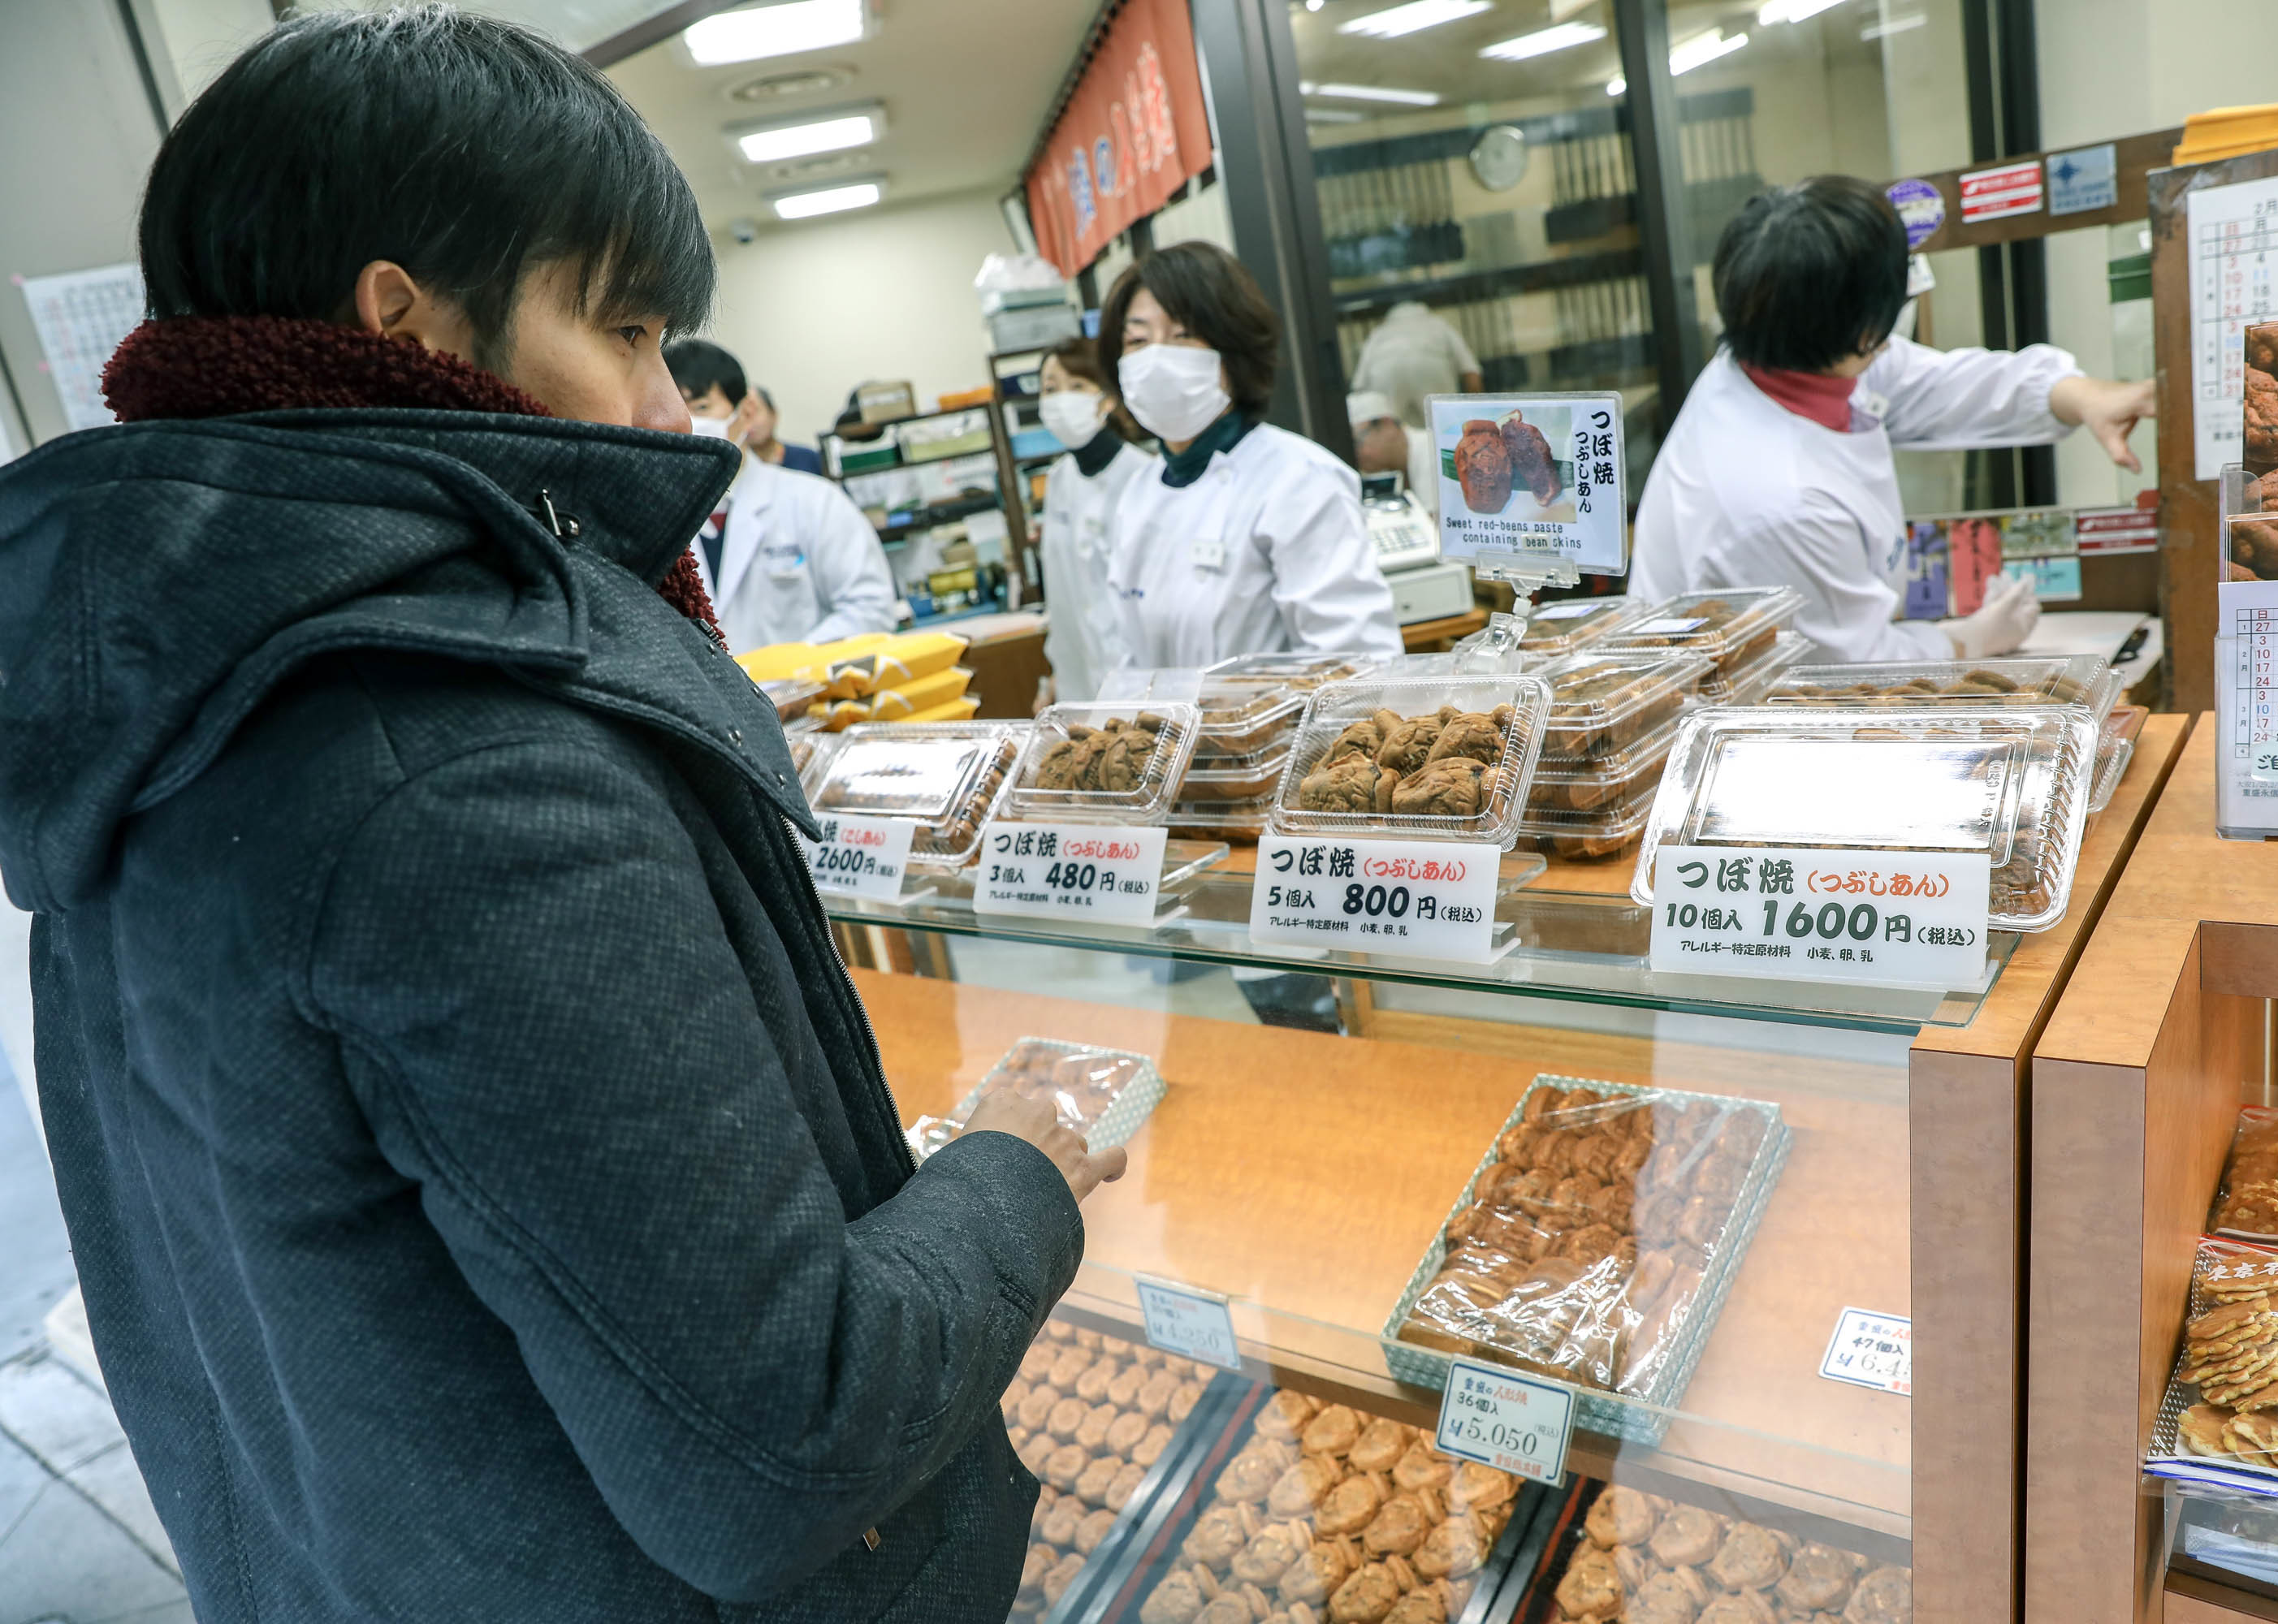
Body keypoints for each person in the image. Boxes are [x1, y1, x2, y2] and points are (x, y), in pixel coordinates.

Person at [0, 9, 1120, 1620]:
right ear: (411, 323)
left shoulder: (154, 689)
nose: (677, 411)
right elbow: (782, 1444)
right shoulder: (458, 773)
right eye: (631, 333)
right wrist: (1017, 1170)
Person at [1630, 175, 2156, 663]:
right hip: (1748, 724)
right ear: (1862, 332)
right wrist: (1971, 640)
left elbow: (1941, 384)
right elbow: (1857, 667)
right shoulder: (1778, 501)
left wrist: (2080, 395)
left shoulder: (1788, 352)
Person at [1098, 240, 1400, 668]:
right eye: (1138, 339)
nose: (1158, 357)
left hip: (1281, 735)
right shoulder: (1139, 493)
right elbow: (1129, 658)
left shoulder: (1298, 479)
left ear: (1232, 349)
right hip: (1168, 735)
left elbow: (1356, 662)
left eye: (1183, 335)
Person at [664, 339, 896, 650]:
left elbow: (870, 607)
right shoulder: (657, 520)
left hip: (808, 691)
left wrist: (792, 671)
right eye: (677, 411)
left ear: (746, 412)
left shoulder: (815, 502)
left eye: (703, 408)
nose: (692, 425)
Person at [1035, 336, 1152, 703]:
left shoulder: (1144, 477)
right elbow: (1061, 594)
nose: (1060, 400)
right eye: (1050, 389)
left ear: (1107, 398)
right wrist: (1054, 678)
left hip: (1145, 680)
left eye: (1077, 386)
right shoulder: (1058, 480)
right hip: (1078, 683)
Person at [1351, 299, 1484, 430]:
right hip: (1431, 367)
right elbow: (1471, 373)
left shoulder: (1379, 332)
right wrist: (1476, 414)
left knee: (1393, 431)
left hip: (1385, 372)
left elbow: (1359, 387)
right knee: (1444, 428)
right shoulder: (1438, 324)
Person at [1349, 388, 1437, 518]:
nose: (1356, 453)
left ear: (1387, 424)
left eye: (1358, 442)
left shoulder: (1432, 452)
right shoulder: (1394, 472)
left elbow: (1434, 528)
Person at [743, 382, 823, 474]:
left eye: (755, 411)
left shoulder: (809, 459)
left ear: (774, 414)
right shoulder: (735, 469)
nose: (749, 422)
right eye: (743, 414)